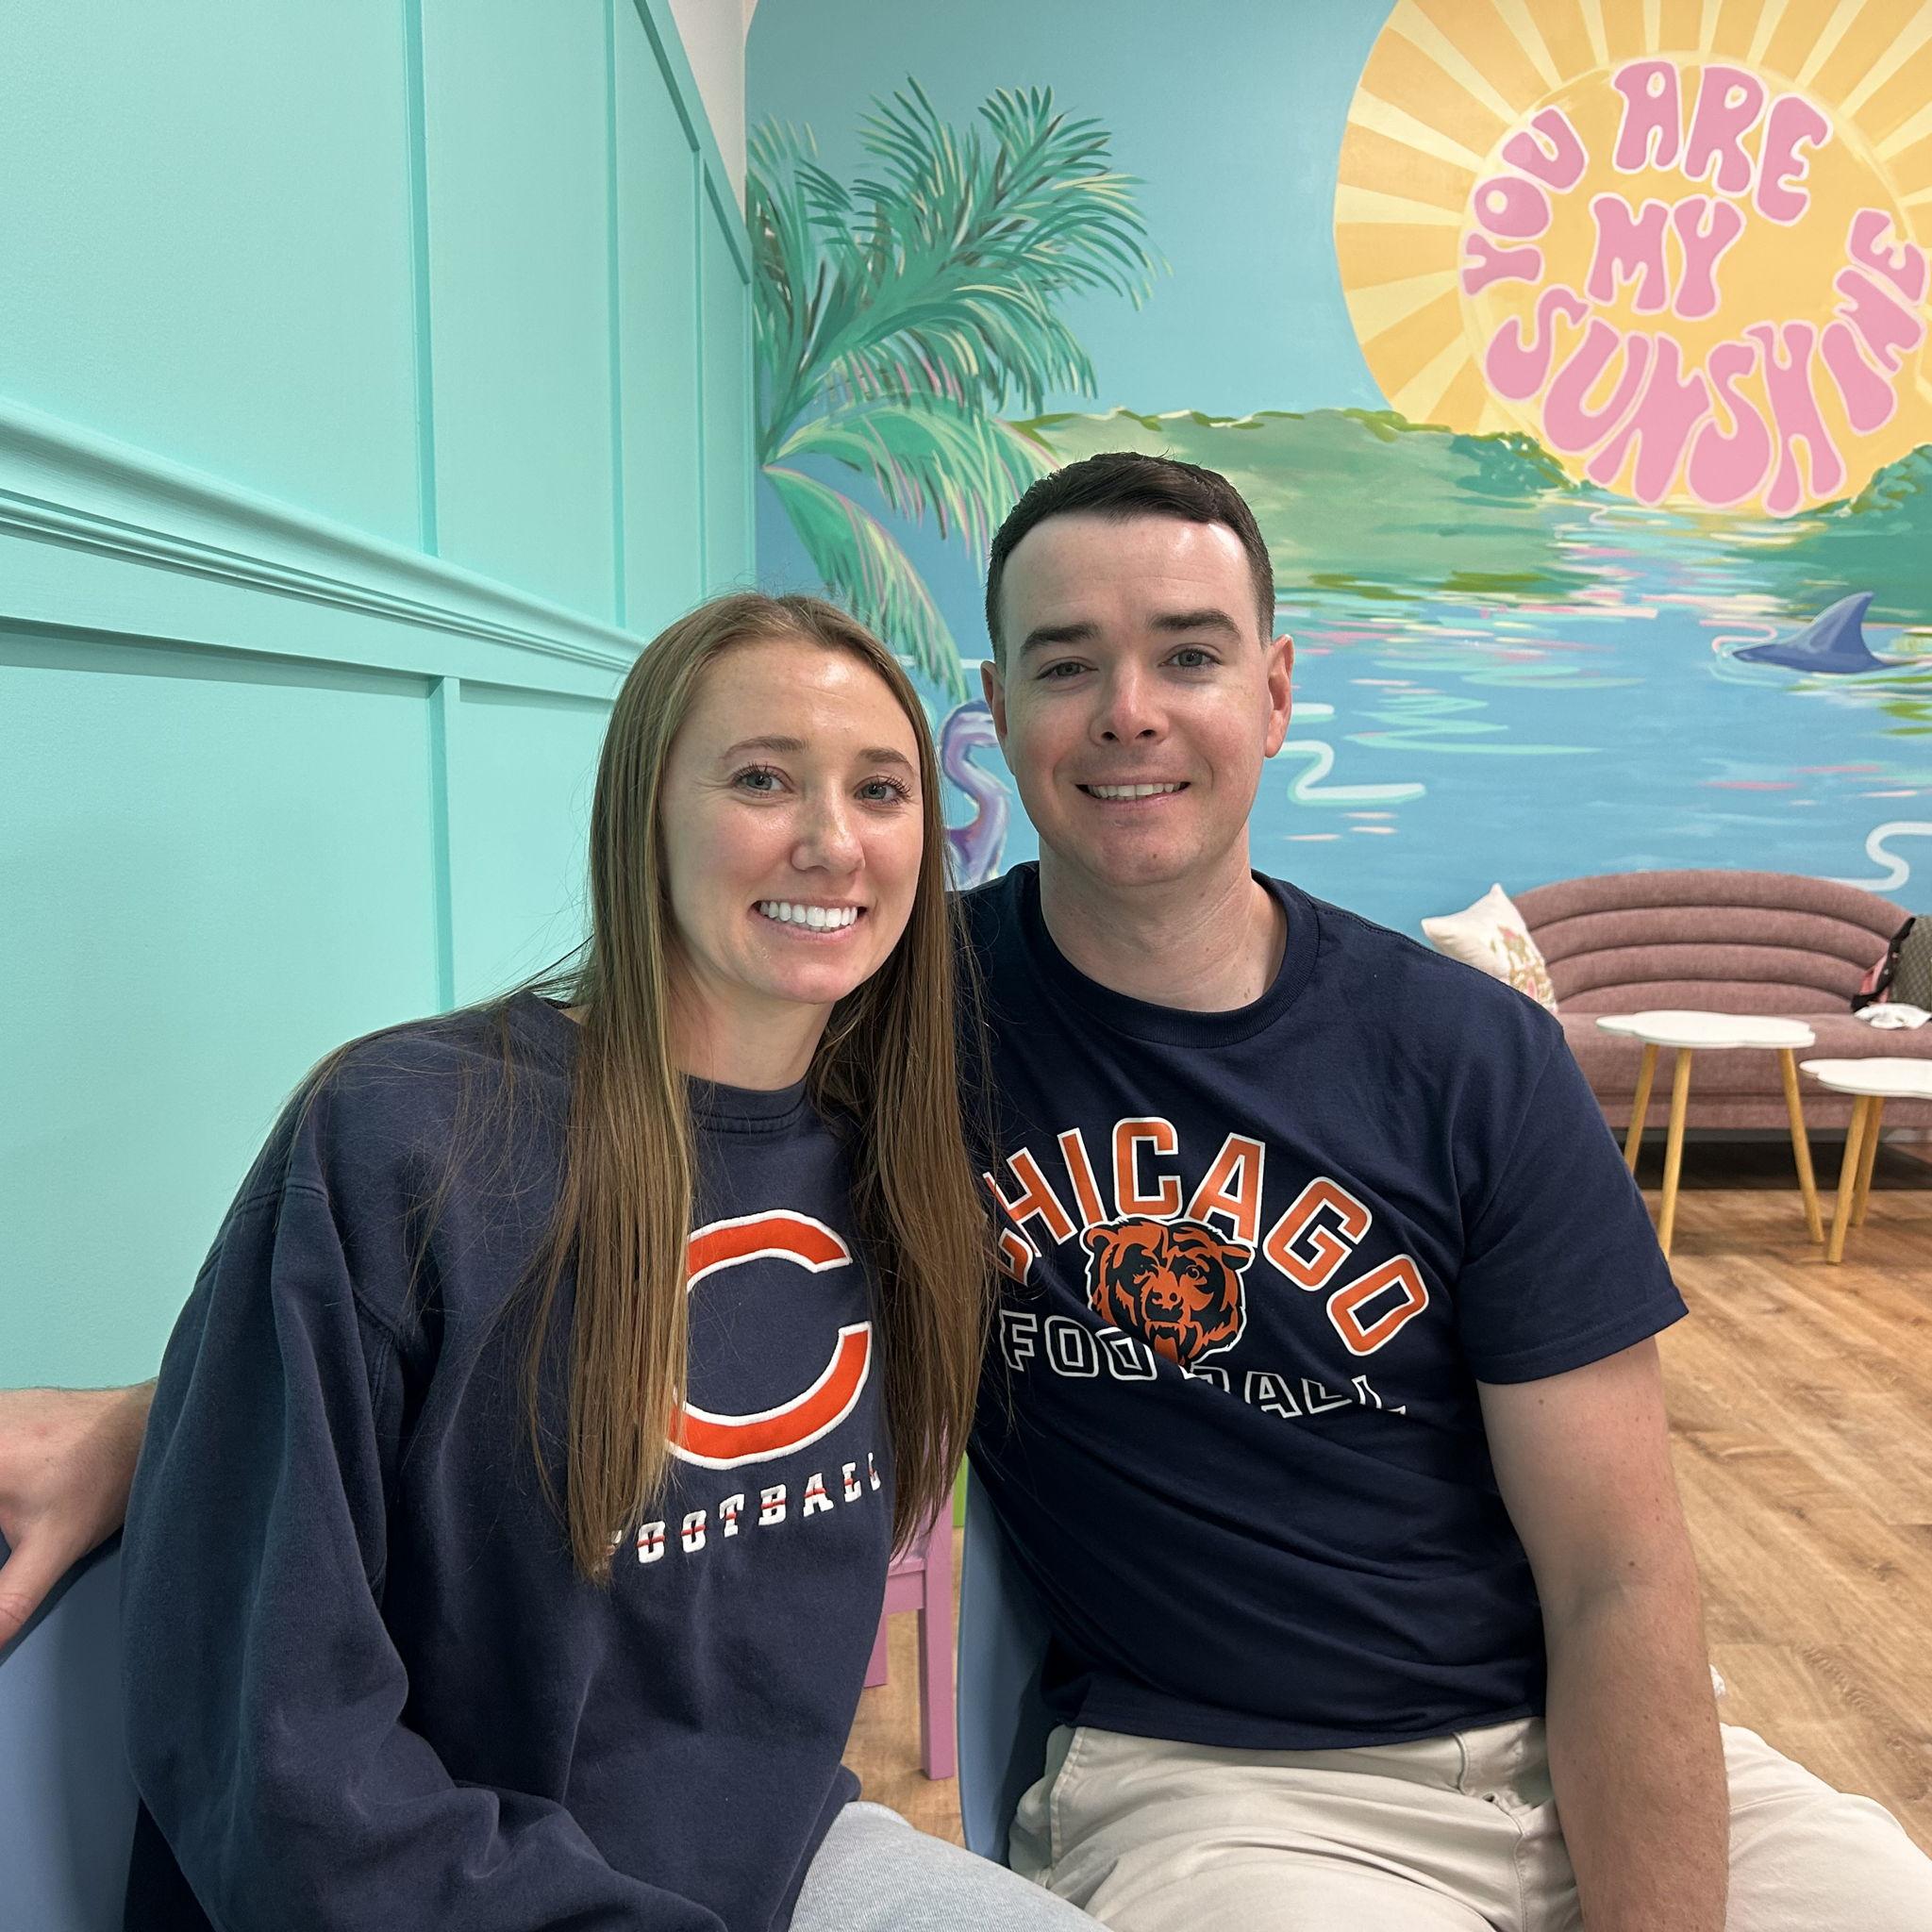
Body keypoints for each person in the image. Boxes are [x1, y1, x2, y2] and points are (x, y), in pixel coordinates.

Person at [8, 460, 1930, 1930]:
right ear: (1000, 717)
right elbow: (477, 1246)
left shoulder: (1443, 1057)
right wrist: (178, 1421)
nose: (1130, 711)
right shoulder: (885, 1028)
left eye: (1188, 656)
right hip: (1215, 1782)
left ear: (1274, 693)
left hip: (1520, 1728)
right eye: (1067, 665)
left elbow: (1622, 1572)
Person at [3, 592, 1093, 1932]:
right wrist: (172, 1412)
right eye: (763, 779)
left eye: (880, 789)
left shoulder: (890, 1170)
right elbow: (281, 1773)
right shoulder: (406, 1134)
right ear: (645, 814)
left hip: (777, 1865)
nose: (833, 841)